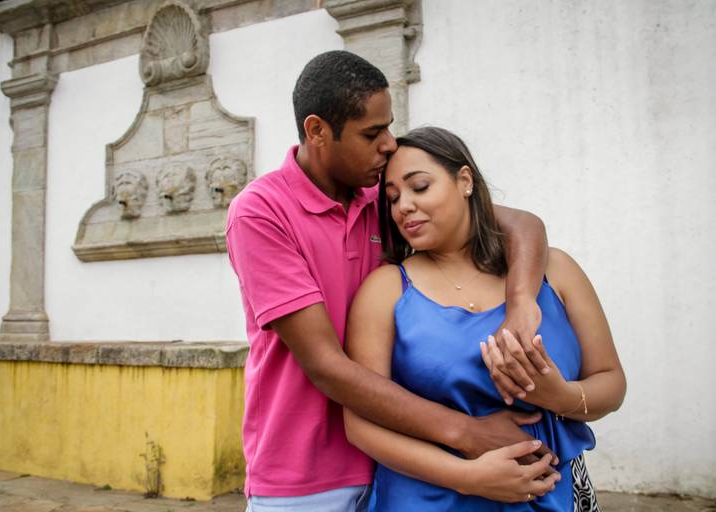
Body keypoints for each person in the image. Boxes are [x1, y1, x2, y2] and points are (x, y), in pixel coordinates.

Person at [226, 51, 560, 512]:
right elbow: (326, 364)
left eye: (388, 127)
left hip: (402, 465)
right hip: (306, 477)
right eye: (371, 133)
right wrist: (467, 434)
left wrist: (522, 303)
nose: (388, 144)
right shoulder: (260, 212)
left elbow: (520, 224)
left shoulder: (384, 197)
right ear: (317, 131)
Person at [343, 126, 627, 511]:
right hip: (428, 499)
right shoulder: (386, 289)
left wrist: (560, 396)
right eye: (392, 199)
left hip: (554, 495)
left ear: (465, 181)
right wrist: (468, 477)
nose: (403, 206)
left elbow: (611, 383)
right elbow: (360, 424)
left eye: (420, 186)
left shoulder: (555, 271)